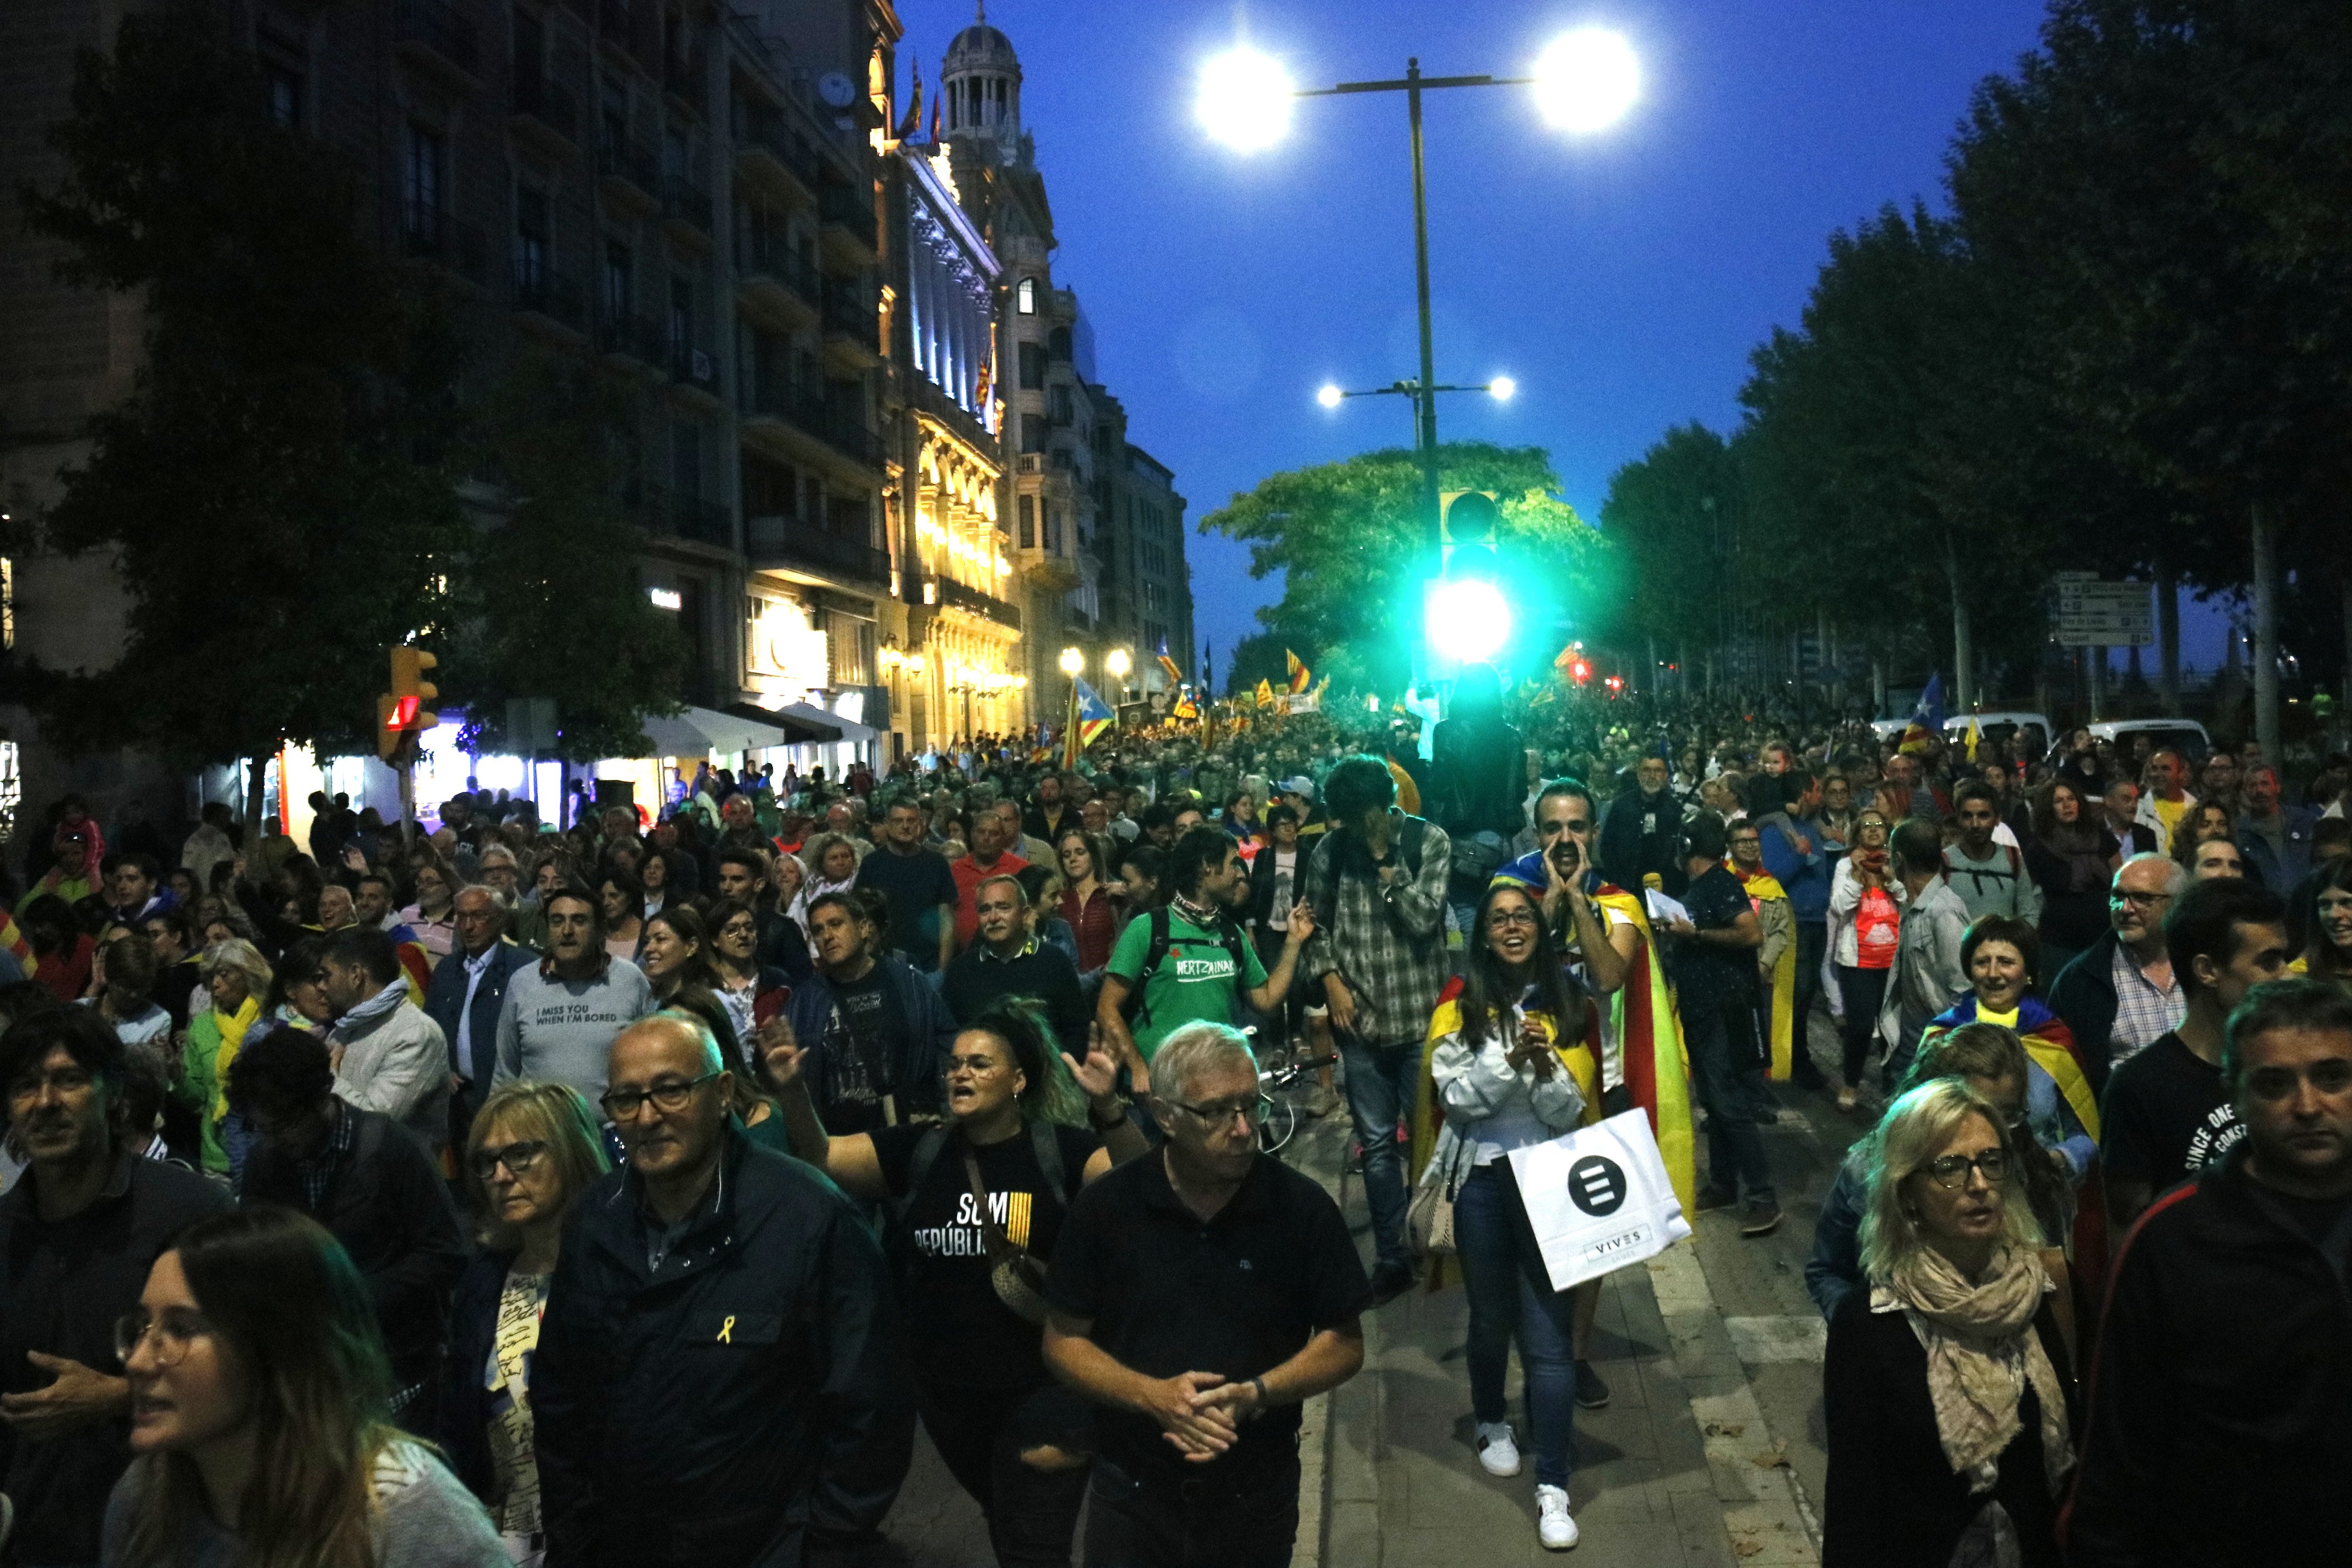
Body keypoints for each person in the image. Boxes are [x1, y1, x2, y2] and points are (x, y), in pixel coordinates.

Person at [765, 1003, 1145, 1568]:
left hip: (1045, 1392)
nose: (960, 1073)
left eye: (980, 1064)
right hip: (951, 1400)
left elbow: (1138, 1188)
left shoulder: (1056, 1151)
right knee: (1008, 1522)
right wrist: (793, 1091)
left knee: (1031, 1548)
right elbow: (822, 1155)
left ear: (1019, 1080)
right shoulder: (921, 1151)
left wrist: (1108, 1107)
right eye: (955, 1064)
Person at [531, 1012, 914, 1564]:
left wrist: (820, 1545)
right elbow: (561, 1397)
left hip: (763, 1547)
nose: (647, 1116)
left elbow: (871, 1408)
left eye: (670, 1091)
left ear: (723, 1092)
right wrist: (576, 1534)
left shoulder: (807, 1218)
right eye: (626, 1099)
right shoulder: (595, 1219)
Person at [1042, 1023, 1369, 1568]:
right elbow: (1062, 1342)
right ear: (1166, 1115)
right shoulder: (1107, 1210)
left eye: (1251, 1105)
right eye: (1216, 1111)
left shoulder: (1300, 1209)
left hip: (1256, 1492)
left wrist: (1255, 1394)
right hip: (1133, 1492)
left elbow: (1344, 1341)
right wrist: (1154, 1397)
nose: (1242, 1129)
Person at [2064, 978, 2352, 1568]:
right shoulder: (2173, 1241)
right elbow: (2117, 1460)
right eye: (2275, 1084)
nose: (2307, 1105)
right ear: (2236, 1096)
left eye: (2332, 1077)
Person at [102, 1206, 506, 1568]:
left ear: (278, 1348)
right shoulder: (146, 1498)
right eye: (142, 1328)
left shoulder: (402, 1511)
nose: (137, 1361)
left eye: (181, 1329)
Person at [0, 1008, 231, 1567]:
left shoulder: (191, 1212)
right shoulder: (4, 1232)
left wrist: (116, 1396)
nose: (46, 1101)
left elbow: (262, 1366)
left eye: (69, 1079)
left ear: (114, 1093)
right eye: (27, 1085)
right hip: (29, 1539)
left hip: (173, 1535)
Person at [1821, 1077, 2076, 1567]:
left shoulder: (2043, 1291)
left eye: (1990, 1162)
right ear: (1908, 1191)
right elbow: (1854, 1505)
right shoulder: (1870, 1324)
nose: (1978, 1185)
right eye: (1950, 1169)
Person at [1420, 882, 1600, 1550]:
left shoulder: (1568, 1001)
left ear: (1540, 927)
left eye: (1524, 915)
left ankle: (1554, 1481)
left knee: (1550, 1336)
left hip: (1549, 1182)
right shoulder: (1457, 1006)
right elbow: (1461, 1102)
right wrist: (1509, 1058)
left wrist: (1544, 1062)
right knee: (1492, 1316)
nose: (1513, 926)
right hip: (1482, 1185)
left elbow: (1569, 1110)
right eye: (1499, 919)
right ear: (1485, 933)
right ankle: (1493, 1419)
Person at [230, 1026, 467, 1433]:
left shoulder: (388, 1146)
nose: (271, 1139)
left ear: (322, 1098)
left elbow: (447, 1251)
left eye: (282, 1125)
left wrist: (352, 1297)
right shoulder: (267, 1162)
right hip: (315, 1386)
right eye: (261, 1128)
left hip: (399, 1376)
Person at [438, 1082, 611, 1565]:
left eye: (520, 1155)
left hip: (603, 1538)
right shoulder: (486, 1279)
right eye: (486, 1162)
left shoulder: (616, 1272)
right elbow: (458, 1423)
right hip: (508, 1539)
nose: (500, 1176)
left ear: (570, 1151)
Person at [1299, 756, 1452, 1298]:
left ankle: (1434, 1240)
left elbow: (1423, 919)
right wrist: (1330, 981)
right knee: (1378, 1145)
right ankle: (1391, 1255)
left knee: (1431, 1139)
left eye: (1362, 819)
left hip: (1420, 1022)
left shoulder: (1427, 843)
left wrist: (1390, 868)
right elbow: (1311, 927)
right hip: (1358, 1025)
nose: (1354, 831)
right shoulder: (1330, 850)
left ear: (1386, 807)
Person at [1806, 1022, 2076, 1321]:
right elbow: (1827, 1271)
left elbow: (2054, 1283)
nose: (1994, 1130)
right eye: (1973, 1112)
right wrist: (1866, 1328)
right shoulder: (1869, 1171)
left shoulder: (2036, 1176)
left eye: (2008, 1115)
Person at [2099, 878, 2288, 1236]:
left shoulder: (2291, 1074)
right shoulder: (2139, 1088)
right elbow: (2129, 1239)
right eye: (2270, 963)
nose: (2287, 975)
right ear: (2207, 971)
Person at [1097, 827, 1313, 1099]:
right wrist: (1139, 1068)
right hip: (1158, 1090)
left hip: (1213, 1089)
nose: (1239, 873)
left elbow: (1268, 1002)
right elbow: (1107, 1008)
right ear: (1207, 867)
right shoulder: (1148, 929)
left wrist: (1294, 942)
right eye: (1233, 863)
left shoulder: (1230, 933)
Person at [1671, 814, 1780, 1234]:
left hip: (1722, 1009)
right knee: (1714, 1102)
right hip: (1703, 1008)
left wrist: (1695, 935)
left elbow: (1751, 935)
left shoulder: (1720, 883)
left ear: (1686, 845)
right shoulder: (1705, 886)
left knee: (1730, 1104)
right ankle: (1722, 1184)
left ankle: (1762, 1197)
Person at [785, 889, 960, 1134]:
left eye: (836, 924)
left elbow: (947, 1047)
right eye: (818, 930)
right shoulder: (806, 1001)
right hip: (840, 1141)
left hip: (909, 1130)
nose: (827, 936)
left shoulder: (909, 983)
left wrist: (949, 1109)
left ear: (864, 928)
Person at [489, 885, 654, 1111]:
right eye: (557, 921)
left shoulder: (630, 979)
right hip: (541, 1133)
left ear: (599, 930)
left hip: (612, 1136)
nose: (567, 931)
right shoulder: (522, 982)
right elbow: (505, 1072)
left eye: (579, 921)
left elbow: (653, 1060)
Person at [2048, 853, 2186, 1071]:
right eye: (2118, 897)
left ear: (2178, 904)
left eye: (2142, 898)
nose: (2125, 909)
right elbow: (2064, 1076)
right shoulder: (2079, 981)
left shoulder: (2209, 967)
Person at [322, 927, 452, 1156]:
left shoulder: (416, 1034)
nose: (321, 987)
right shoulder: (343, 1030)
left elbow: (377, 1122)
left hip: (400, 1186)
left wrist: (329, 1078)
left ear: (356, 975)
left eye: (326, 976)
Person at [425, 884, 534, 1157]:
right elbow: (431, 1028)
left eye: (478, 916)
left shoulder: (523, 968)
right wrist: (442, 1068)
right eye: (461, 917)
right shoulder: (448, 969)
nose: (468, 926)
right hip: (456, 1098)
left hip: (505, 1095)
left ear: (499, 920)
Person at [942, 875, 1090, 1056]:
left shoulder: (1054, 962)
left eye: (1003, 908)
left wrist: (1062, 1074)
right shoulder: (961, 971)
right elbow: (947, 1035)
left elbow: (1077, 1030)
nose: (994, 918)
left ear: (1025, 914)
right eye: (985, 910)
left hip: (1046, 1079)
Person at [1754, 769, 1834, 1089]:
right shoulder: (1776, 833)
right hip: (1797, 922)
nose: (1821, 796)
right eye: (1817, 790)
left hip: (1817, 921)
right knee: (1796, 996)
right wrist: (1799, 857)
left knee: (1806, 994)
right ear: (1804, 793)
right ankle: (1794, 1060)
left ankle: (1794, 1056)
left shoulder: (1808, 828)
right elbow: (1773, 878)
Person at [170, 938, 271, 1177]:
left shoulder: (272, 1023)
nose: (215, 984)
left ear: (249, 975)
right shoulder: (202, 1027)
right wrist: (175, 1073)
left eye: (224, 975)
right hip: (217, 1158)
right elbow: (197, 1101)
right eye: (212, 978)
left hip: (267, 1151)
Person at [1883, 818, 1972, 1086]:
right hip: (1909, 1046)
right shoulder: (1917, 906)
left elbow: (1963, 991)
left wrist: (1948, 1052)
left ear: (1899, 858)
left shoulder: (1943, 912)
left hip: (1933, 1053)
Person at [1828, 811, 1902, 1110]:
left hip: (1893, 960)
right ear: (1857, 833)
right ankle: (1851, 1082)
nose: (1873, 831)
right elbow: (1839, 906)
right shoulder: (1846, 865)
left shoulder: (1897, 863)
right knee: (1860, 1028)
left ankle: (1892, 1088)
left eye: (1879, 825)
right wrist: (1858, 877)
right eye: (1867, 826)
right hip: (1857, 961)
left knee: (1891, 1028)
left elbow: (1910, 902)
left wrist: (1893, 882)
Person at [1727, 818, 1799, 1091]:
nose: (1749, 846)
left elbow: (1782, 931)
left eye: (1753, 841)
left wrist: (1766, 965)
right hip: (1728, 972)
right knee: (1728, 1039)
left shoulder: (1772, 886)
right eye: (1742, 841)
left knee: (1758, 1039)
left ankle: (1755, 1095)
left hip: (1760, 975)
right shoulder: (1721, 881)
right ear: (1730, 846)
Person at [855, 794, 960, 974]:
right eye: (898, 821)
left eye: (911, 820)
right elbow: (862, 917)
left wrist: (942, 970)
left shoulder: (937, 863)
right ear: (887, 824)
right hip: (883, 966)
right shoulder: (871, 864)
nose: (905, 826)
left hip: (929, 965)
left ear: (921, 823)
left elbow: (947, 920)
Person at [2024, 780, 2115, 983]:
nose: (2067, 805)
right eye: (2059, 801)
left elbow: (2120, 882)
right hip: (2060, 943)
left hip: (2103, 936)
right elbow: (2028, 895)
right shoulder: (2039, 849)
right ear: (2049, 808)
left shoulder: (2102, 838)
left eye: (2071, 799)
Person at [1943, 782, 2044, 927]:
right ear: (1958, 819)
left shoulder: (2013, 858)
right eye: (1967, 816)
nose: (1975, 824)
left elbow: (2029, 913)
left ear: (1997, 819)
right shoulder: (1944, 862)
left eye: (1983, 816)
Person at [1598, 754, 1689, 899]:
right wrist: (1617, 883)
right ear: (1639, 775)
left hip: (1663, 894)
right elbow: (1607, 847)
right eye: (1647, 770)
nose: (1652, 776)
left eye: (1658, 771)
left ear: (1666, 776)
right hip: (1623, 890)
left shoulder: (1675, 811)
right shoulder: (1621, 806)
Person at [950, 804, 1031, 955]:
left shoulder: (1022, 868)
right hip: (963, 957)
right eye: (981, 832)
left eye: (994, 834)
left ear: (1003, 837)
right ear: (972, 834)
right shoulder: (955, 870)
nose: (986, 838)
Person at [2234, 762, 2316, 891]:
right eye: (2253, 785)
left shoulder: (2304, 821)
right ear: (2246, 792)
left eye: (2265, 784)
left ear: (2277, 787)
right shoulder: (2239, 831)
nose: (2259, 790)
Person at [1053, 827, 1119, 981]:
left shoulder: (1112, 895)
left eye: (1080, 852)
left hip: (1109, 982)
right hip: (1071, 985)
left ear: (1094, 856)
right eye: (1066, 855)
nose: (1073, 859)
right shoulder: (1058, 901)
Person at [2136, 747, 2197, 852]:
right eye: (2154, 769)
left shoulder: (2196, 808)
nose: (2157, 774)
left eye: (2165, 769)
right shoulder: (2137, 808)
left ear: (2181, 773)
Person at [594, 867, 644, 963]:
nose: (606, 902)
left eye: (614, 896)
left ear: (630, 898)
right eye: (602, 897)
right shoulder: (598, 934)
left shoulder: (647, 932)